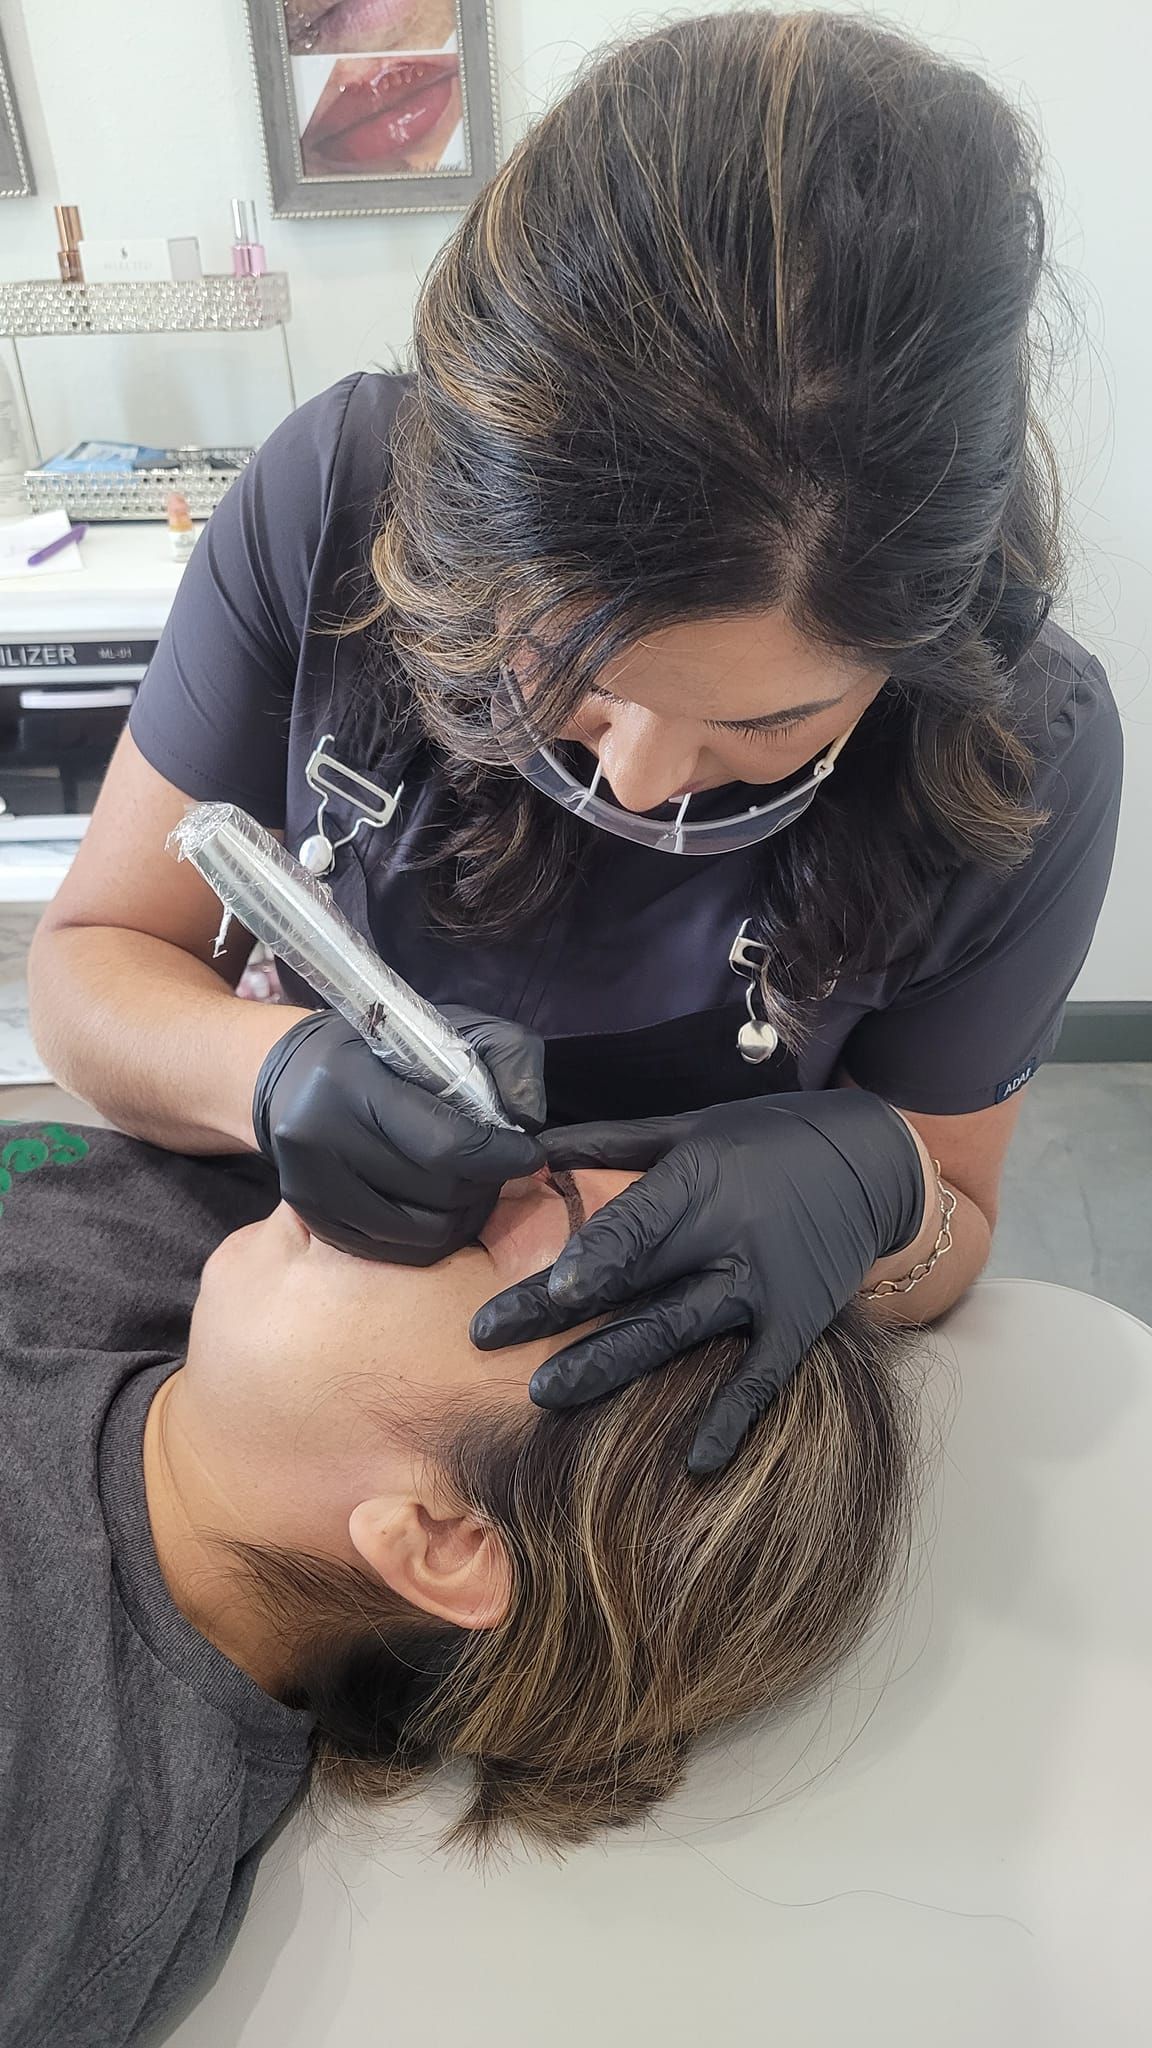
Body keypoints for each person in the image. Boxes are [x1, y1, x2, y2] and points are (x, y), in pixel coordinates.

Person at [29, 11, 1122, 1472]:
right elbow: (91, 962)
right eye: (577, 678)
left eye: (767, 717)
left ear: (921, 642)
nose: (642, 778)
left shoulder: (1024, 751)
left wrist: (878, 1203)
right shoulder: (337, 506)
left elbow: (953, 1225)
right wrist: (267, 1071)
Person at [0, 1122, 916, 2048]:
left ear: (442, 1541)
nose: (462, 1169)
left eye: (511, 1219)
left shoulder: (67, 1812)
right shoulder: (215, 1218)